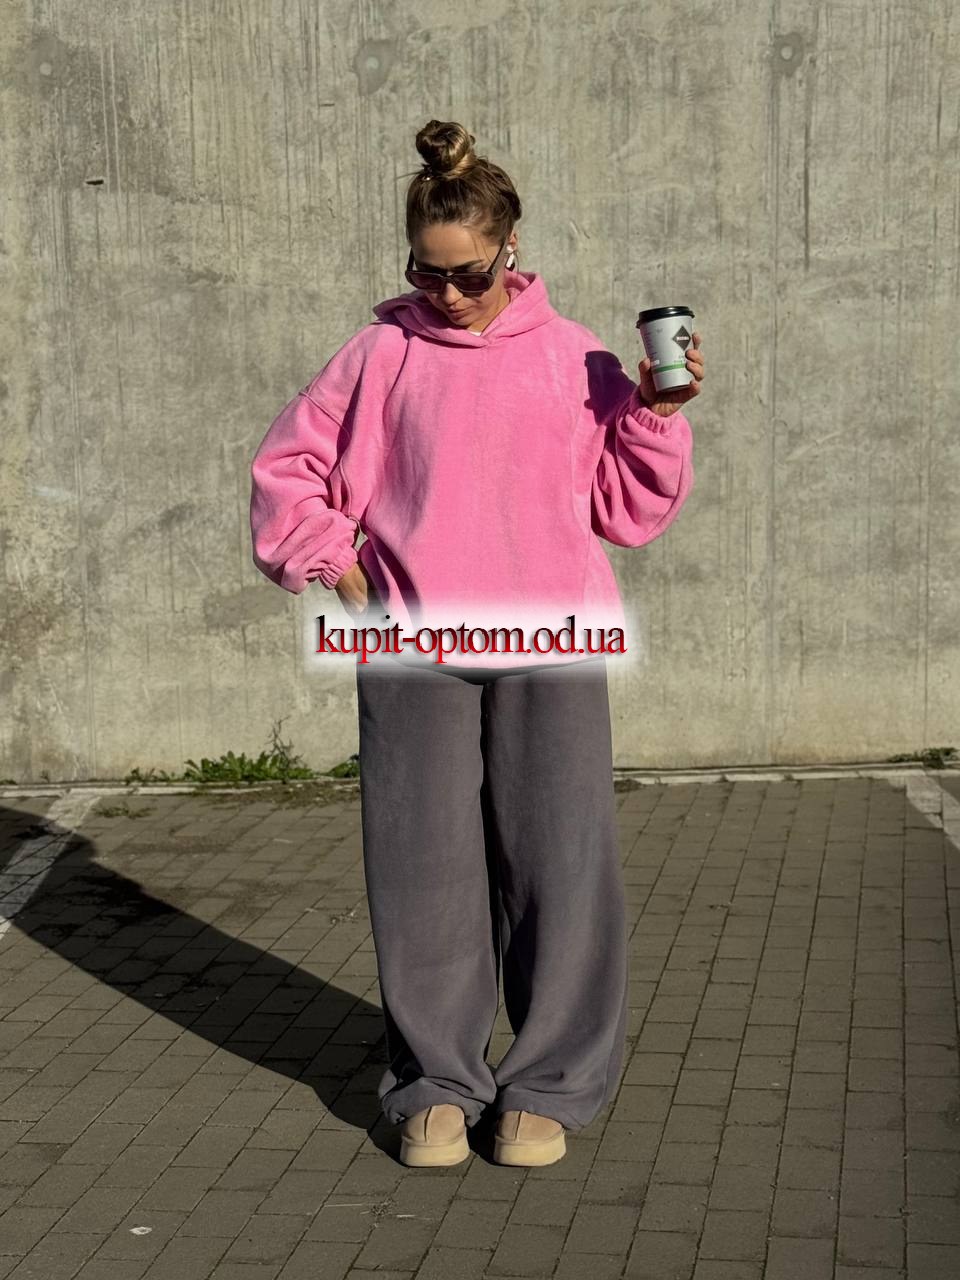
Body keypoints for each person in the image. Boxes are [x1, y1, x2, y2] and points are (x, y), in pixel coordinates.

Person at [249, 119, 703, 1168]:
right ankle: (436, 1080)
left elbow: (626, 511)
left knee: (561, 863)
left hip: (551, 635)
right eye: (427, 272)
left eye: (469, 273)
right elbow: (286, 469)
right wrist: (334, 560)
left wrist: (653, 415)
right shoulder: (380, 353)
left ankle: (549, 1080)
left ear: (510, 248)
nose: (448, 294)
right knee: (422, 870)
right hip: (413, 640)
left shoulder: (577, 355)